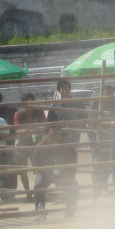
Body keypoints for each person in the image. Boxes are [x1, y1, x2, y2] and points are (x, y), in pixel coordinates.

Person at [33, 79, 80, 217]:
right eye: (53, 130)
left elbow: (72, 164)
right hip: (47, 173)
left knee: (74, 185)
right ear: (49, 132)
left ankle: (70, 210)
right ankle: (40, 210)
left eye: (58, 131)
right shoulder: (41, 146)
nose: (55, 133)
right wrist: (49, 173)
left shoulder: (67, 145)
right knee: (38, 185)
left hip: (64, 173)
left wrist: (65, 175)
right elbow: (38, 165)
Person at [14, 93, 46, 198]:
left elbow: (44, 126)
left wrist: (33, 129)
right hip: (23, 143)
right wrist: (29, 129)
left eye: (32, 101)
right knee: (23, 168)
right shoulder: (18, 114)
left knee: (39, 167)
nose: (30, 104)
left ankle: (38, 189)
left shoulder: (39, 112)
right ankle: (28, 192)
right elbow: (17, 130)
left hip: (36, 142)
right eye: (28, 102)